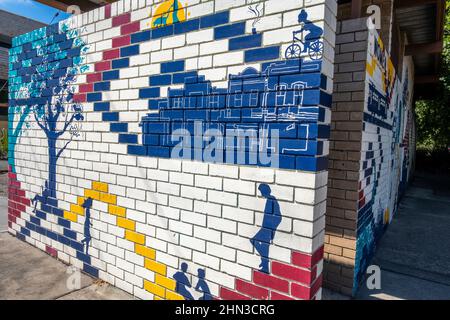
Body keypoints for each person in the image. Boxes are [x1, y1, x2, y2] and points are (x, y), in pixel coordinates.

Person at [250, 184, 282, 273]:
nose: (261, 193)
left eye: (261, 191)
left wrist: (272, 229)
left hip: (267, 229)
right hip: (265, 228)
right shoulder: (269, 199)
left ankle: (265, 265)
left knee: (256, 242)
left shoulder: (272, 200)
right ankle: (264, 264)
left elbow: (278, 217)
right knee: (260, 244)